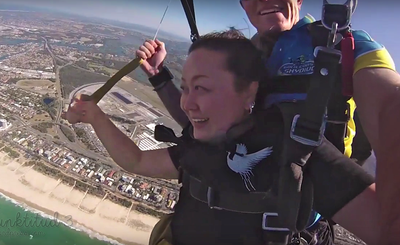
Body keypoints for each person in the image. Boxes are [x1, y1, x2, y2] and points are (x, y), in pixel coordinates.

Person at [140, 1, 400, 243]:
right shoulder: (237, 57)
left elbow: (394, 106)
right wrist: (160, 78)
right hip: (219, 219)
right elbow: (201, 122)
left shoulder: (344, 45)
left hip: (296, 228)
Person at [63, 30, 379, 245]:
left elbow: (393, 226)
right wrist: (95, 116)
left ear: (249, 92)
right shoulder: (203, 147)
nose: (187, 103)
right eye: (186, 88)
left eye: (203, 88)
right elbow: (137, 159)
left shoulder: (296, 151)